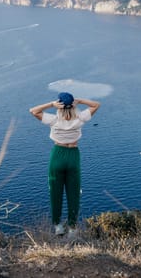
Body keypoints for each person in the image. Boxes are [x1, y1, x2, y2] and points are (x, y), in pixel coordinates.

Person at [29, 92, 100, 236]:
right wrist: (79, 100)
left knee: (55, 192)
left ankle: (58, 226)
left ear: (59, 105)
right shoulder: (80, 119)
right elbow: (96, 105)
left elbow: (33, 111)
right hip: (73, 155)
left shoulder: (53, 120)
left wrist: (51, 104)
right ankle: (72, 228)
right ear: (73, 105)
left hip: (57, 155)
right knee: (73, 193)